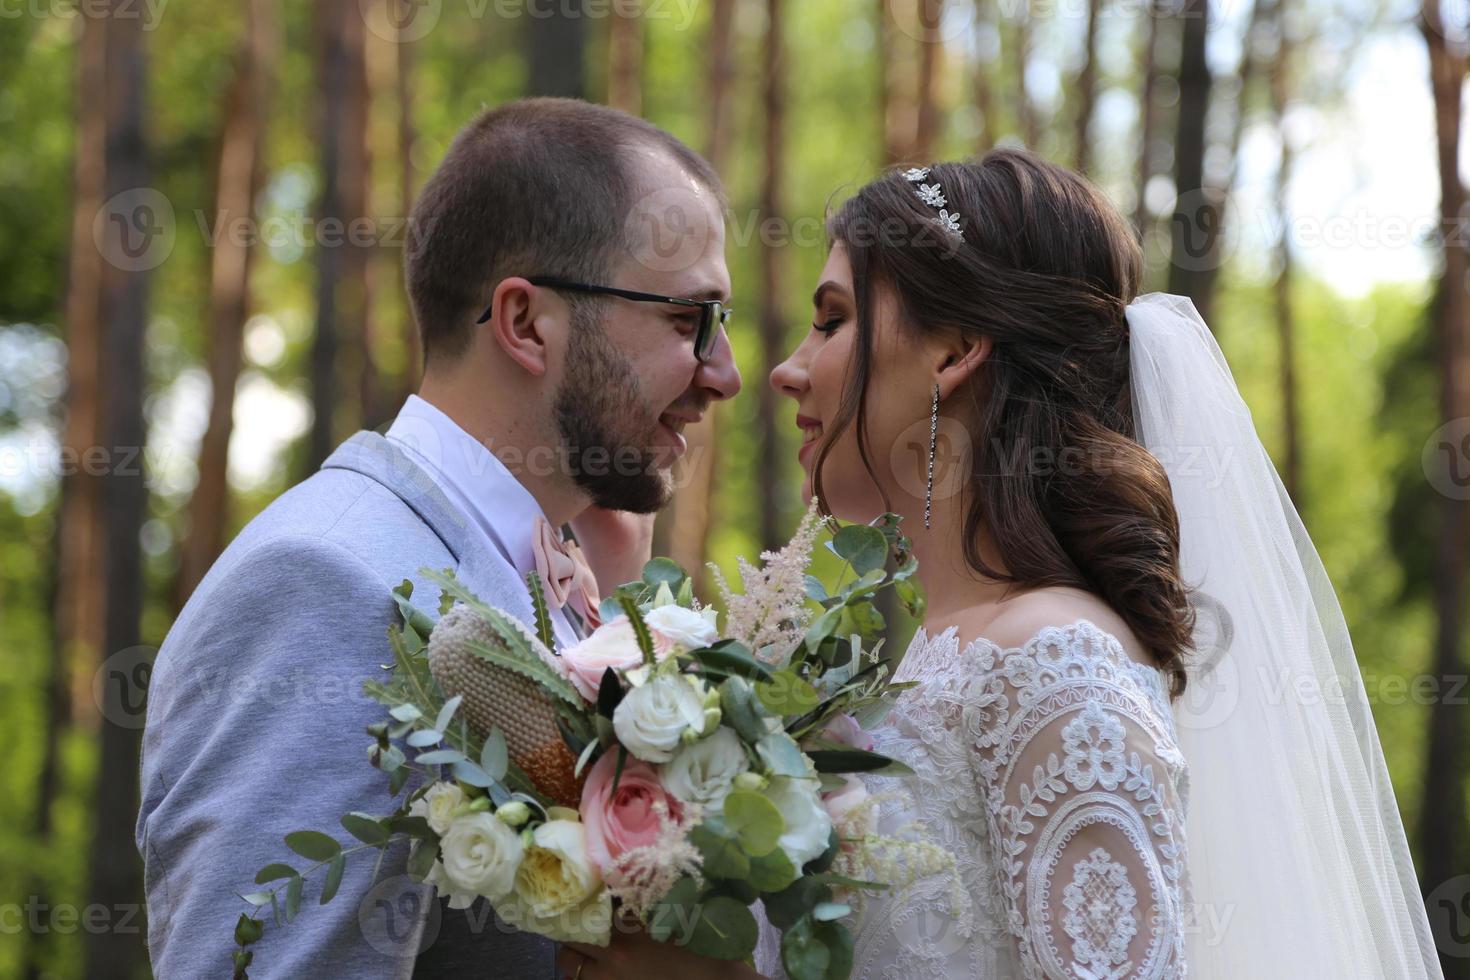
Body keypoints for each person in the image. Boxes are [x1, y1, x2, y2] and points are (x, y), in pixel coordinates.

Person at [756, 149, 1443, 978]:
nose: (787, 369)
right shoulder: (960, 648)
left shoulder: (1054, 662)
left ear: (955, 351)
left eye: (832, 321)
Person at [135, 97, 741, 978]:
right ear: (527, 322)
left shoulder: (563, 583)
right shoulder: (325, 582)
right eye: (690, 320)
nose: (724, 373)